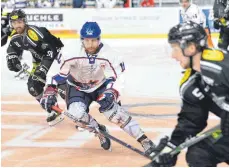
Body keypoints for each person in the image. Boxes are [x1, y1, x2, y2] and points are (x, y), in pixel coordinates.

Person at [39, 21, 156, 154]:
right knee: (75, 115)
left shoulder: (110, 54)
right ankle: (99, 131)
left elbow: (117, 76)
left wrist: (112, 92)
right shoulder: (70, 51)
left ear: (99, 39)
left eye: (94, 40)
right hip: (77, 88)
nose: (90, 45)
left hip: (101, 86)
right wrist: (49, 90)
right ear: (81, 40)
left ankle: (144, 140)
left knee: (115, 114)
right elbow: (57, 72)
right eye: (87, 41)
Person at [147, 21, 229, 167]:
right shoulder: (191, 83)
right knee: (200, 152)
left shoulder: (220, 67)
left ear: (191, 48)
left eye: (175, 49)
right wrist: (171, 149)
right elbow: (191, 120)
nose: (173, 55)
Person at [6, 9, 64, 125]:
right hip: (40, 60)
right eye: (14, 22)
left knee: (64, 89)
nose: (17, 25)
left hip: (56, 58)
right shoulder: (16, 36)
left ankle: (80, 113)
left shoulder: (34, 33)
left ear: (24, 21)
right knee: (33, 86)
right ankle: (53, 109)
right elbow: (12, 47)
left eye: (19, 22)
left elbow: (51, 50)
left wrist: (43, 69)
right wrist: (12, 57)